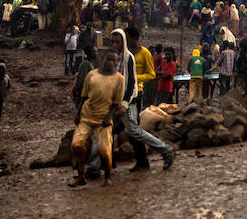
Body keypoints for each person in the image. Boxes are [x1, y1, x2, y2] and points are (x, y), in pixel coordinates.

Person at [111, 29, 175, 173]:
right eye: (112, 42)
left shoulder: (132, 56)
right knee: (125, 132)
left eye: (117, 41)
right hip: (120, 99)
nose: (114, 45)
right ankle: (139, 162)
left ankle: (165, 150)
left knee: (134, 131)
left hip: (132, 96)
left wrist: (125, 101)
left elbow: (139, 77)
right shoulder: (117, 57)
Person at [69, 50, 124, 188]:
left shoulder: (119, 79)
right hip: (87, 116)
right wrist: (78, 113)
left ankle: (108, 177)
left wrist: (108, 117)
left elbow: (116, 103)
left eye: (114, 61)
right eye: (108, 59)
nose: (110, 63)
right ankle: (81, 176)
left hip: (103, 119)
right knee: (76, 144)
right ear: (102, 59)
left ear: (117, 63)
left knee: (104, 149)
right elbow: (84, 96)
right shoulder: (91, 75)